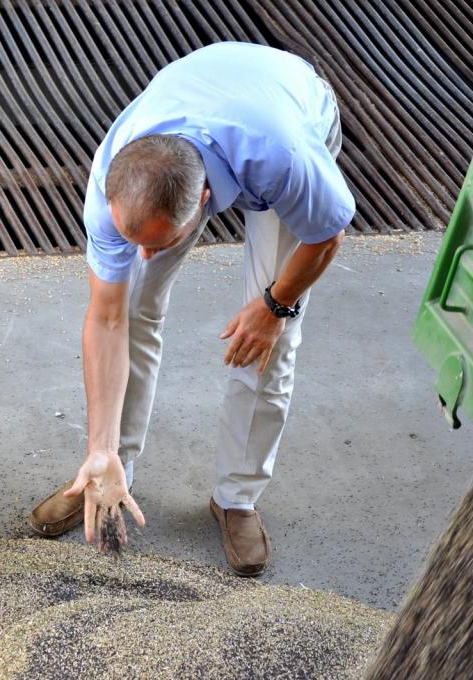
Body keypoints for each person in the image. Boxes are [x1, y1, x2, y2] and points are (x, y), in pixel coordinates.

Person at [27, 42, 354, 576]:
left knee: (269, 340)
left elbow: (327, 235)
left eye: (157, 244)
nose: (143, 255)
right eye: (132, 241)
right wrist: (98, 445)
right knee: (133, 304)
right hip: (206, 109)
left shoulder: (285, 159)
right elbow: (107, 318)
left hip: (284, 111)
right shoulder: (111, 181)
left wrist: (274, 306)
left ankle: (236, 498)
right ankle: (111, 469)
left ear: (203, 203)